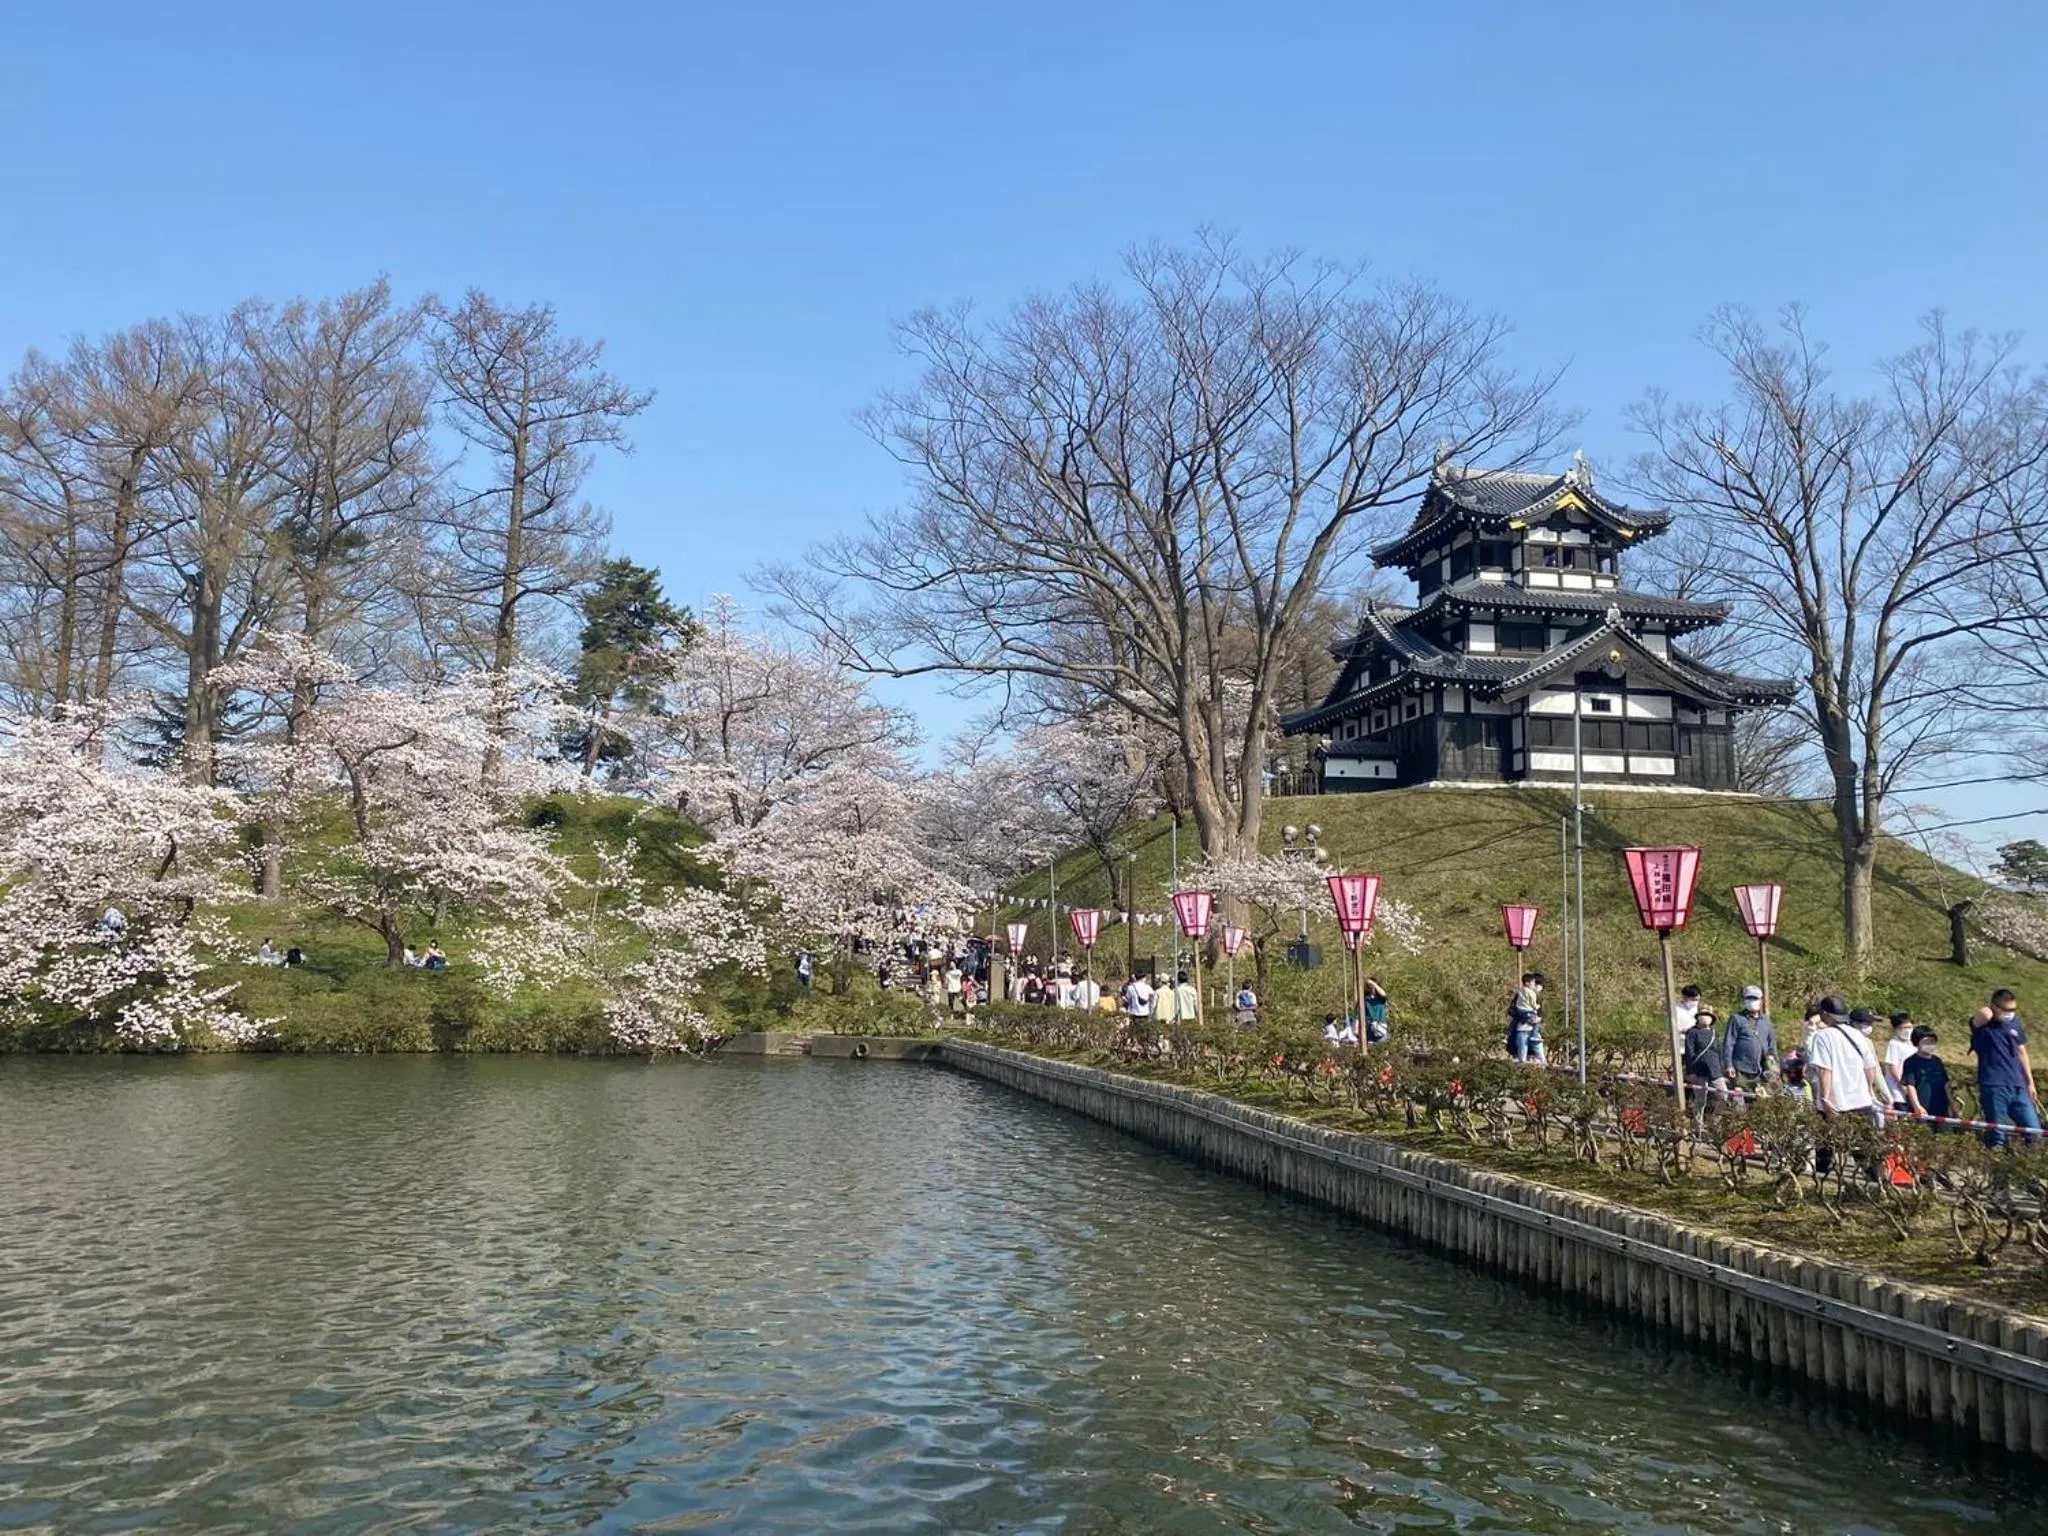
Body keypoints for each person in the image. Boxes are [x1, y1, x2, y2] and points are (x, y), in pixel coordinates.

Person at [1969, 989, 2042, 1148]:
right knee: (1997, 1134)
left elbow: (2022, 1052)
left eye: (2013, 1010)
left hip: (2017, 1085)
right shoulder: (1984, 1025)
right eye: (2006, 1009)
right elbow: (1980, 1016)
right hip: (1994, 1084)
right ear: (1995, 1007)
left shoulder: (2016, 1024)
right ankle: (1995, 1166)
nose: (2010, 1013)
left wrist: (2030, 1082)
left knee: (2034, 1131)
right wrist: (1989, 1011)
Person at [1806, 995, 1885, 1127]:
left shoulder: (1822, 1036)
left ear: (1825, 1014)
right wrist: (1869, 1090)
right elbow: (1870, 1068)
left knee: (1832, 1146)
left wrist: (1825, 1098)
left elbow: (1825, 1069)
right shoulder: (1858, 1035)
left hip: (1837, 1104)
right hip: (1862, 1101)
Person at [1721, 986, 1777, 1097]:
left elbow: (1772, 1043)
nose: (1751, 1001)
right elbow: (1728, 1043)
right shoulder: (1736, 1019)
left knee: (1762, 1099)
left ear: (1761, 1000)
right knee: (1740, 1101)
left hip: (1762, 1069)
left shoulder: (1766, 1020)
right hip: (1741, 1069)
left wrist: (1775, 1065)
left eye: (1754, 998)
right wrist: (1729, 1065)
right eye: (1748, 998)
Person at [1682, 1005, 1729, 1121]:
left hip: (1715, 1070)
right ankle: (1698, 1126)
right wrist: (1690, 1072)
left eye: (1708, 1016)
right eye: (1703, 1015)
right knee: (1700, 1100)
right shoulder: (1693, 1032)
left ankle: (1715, 1122)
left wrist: (1723, 1071)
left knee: (1724, 1096)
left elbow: (1720, 1052)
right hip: (1699, 1071)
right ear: (1698, 1017)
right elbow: (1689, 1053)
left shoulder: (1714, 1033)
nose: (1705, 1018)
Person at [1900, 1027, 1953, 1125]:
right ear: (1916, 1043)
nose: (1930, 1045)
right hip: (1922, 1110)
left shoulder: (1938, 1061)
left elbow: (1946, 1086)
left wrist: (1952, 1107)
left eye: (1932, 1042)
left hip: (1941, 1109)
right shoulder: (1911, 1062)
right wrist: (1917, 1106)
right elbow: (1910, 1086)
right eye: (1926, 1042)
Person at [1880, 1012, 1915, 1114]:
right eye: (1903, 1028)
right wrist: (1903, 1087)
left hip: (1911, 1091)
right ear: (1896, 1029)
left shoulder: (1912, 1045)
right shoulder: (1894, 1044)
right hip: (1898, 1092)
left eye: (1910, 1027)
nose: (1908, 1030)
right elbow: (1893, 1068)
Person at [1507, 971, 1545, 1063]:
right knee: (1522, 1055)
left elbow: (1541, 1013)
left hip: (1534, 1031)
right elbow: (1512, 1010)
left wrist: (1539, 1019)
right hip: (1522, 1028)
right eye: (1536, 984)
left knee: (1540, 1057)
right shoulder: (1521, 995)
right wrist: (1526, 1017)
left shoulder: (1538, 998)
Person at [1670, 982, 1703, 1058]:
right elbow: (1673, 1028)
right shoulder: (1676, 1010)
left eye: (1698, 1000)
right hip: (1681, 1047)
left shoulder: (1698, 1009)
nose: (1695, 1002)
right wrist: (1685, 1031)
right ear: (1685, 997)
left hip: (1697, 1047)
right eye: (1693, 999)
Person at [1362, 977, 1390, 1044]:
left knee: (1381, 1038)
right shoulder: (1366, 999)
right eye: (1369, 986)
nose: (1371, 988)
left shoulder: (1380, 998)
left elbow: (1384, 994)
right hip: (1369, 1027)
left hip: (1380, 1025)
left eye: (1372, 986)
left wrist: (1373, 983)